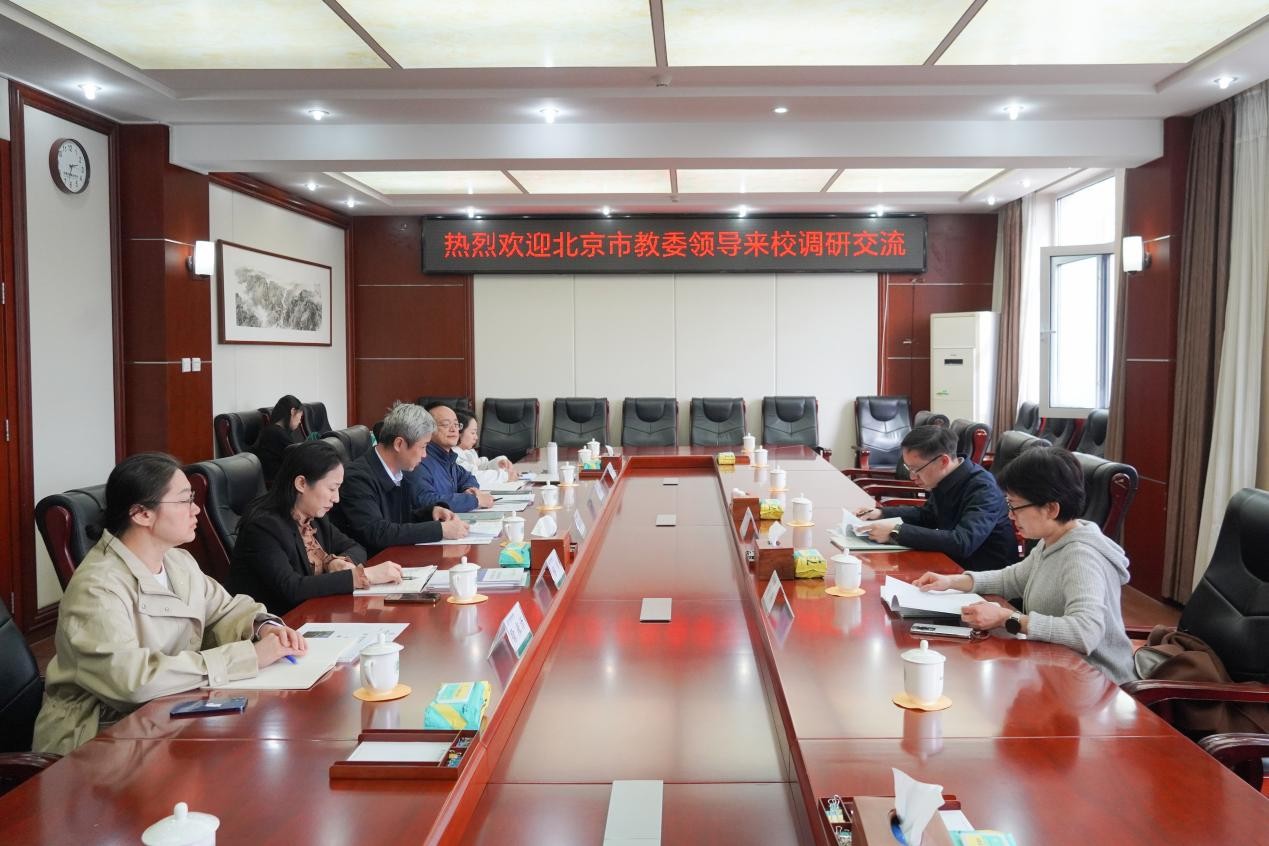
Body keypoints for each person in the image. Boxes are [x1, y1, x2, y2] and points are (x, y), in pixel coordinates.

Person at [33, 453, 307, 755]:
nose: (196, 509)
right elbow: (132, 681)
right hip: (99, 737)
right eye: (185, 500)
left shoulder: (177, 561)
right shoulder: (97, 587)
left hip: (167, 713)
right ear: (142, 514)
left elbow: (225, 610)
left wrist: (262, 626)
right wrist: (247, 656)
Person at [913, 447, 1134, 684]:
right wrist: (951, 581)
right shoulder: (1052, 540)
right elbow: (1012, 579)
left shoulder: (1081, 557)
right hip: (1056, 668)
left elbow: (1084, 632)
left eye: (1015, 506)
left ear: (1051, 509)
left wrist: (1008, 618)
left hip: (1096, 683)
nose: (1010, 516)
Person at [228, 441, 404, 615]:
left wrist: (334, 562)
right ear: (301, 484)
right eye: (332, 489)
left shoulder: (314, 517)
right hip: (276, 623)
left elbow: (355, 547)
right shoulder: (263, 526)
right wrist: (362, 576)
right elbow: (292, 588)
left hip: (314, 613)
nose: (336, 498)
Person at [855, 425, 1019, 571]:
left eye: (916, 469)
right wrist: (881, 513)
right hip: (951, 564)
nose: (912, 476)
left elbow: (963, 542)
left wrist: (896, 531)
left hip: (983, 575)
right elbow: (928, 516)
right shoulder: (944, 477)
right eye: (908, 468)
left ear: (943, 461)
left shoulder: (983, 488)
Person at [332, 401, 469, 555]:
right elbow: (377, 532)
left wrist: (431, 513)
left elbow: (399, 521)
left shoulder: (399, 472)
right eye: (423, 447)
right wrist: (440, 530)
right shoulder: (357, 478)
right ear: (399, 444)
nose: (425, 455)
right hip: (372, 562)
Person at [406, 402, 494, 513]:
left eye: (456, 424)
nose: (454, 429)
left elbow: (468, 477)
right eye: (446, 424)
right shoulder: (419, 460)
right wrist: (474, 500)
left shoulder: (448, 458)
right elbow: (425, 501)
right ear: (427, 429)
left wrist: (468, 489)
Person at [454, 410, 518, 487]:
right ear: (459, 432)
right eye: (473, 433)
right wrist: (504, 477)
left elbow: (480, 467)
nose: (476, 437)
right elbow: (473, 477)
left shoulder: (468, 452)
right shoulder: (453, 456)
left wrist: (497, 463)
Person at [252, 394, 305, 483]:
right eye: (299, 417)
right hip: (278, 483)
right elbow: (298, 458)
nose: (300, 422)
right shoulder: (276, 434)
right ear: (292, 411)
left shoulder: (272, 430)